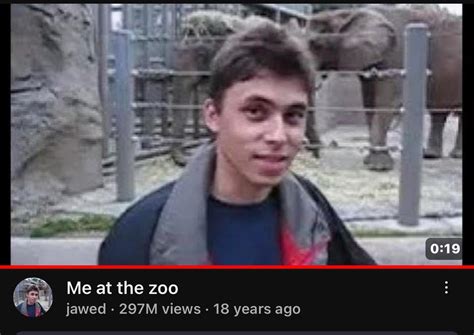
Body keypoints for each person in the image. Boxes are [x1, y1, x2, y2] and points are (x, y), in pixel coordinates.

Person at [98, 19, 375, 265]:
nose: (278, 136)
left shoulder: (313, 211)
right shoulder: (138, 235)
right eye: (255, 112)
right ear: (213, 116)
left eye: (293, 116)